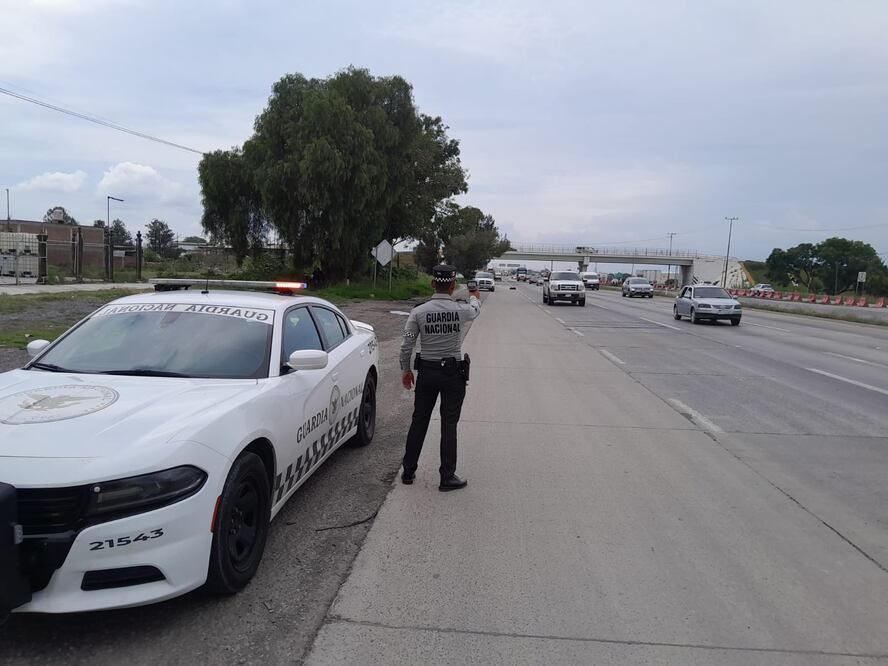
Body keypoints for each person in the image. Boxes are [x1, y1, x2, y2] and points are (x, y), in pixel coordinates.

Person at [399, 265, 482, 491]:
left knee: (419, 421)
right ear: (453, 285)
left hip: (426, 373)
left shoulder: (418, 312)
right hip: (453, 374)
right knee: (449, 423)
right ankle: (447, 477)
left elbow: (406, 343)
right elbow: (475, 309)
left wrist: (405, 370)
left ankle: (408, 471)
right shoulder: (461, 310)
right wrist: (474, 297)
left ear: (432, 283)